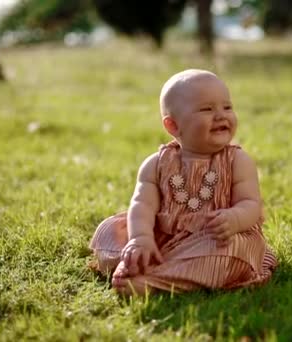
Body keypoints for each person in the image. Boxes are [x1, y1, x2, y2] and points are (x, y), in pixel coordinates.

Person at [89, 69, 277, 296]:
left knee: (230, 252)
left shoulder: (237, 161)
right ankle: (142, 261)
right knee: (112, 230)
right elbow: (142, 205)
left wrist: (234, 219)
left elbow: (251, 205)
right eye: (207, 109)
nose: (220, 115)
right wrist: (141, 238)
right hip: (163, 239)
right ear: (173, 126)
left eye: (227, 107)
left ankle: (155, 281)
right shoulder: (156, 164)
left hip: (215, 238)